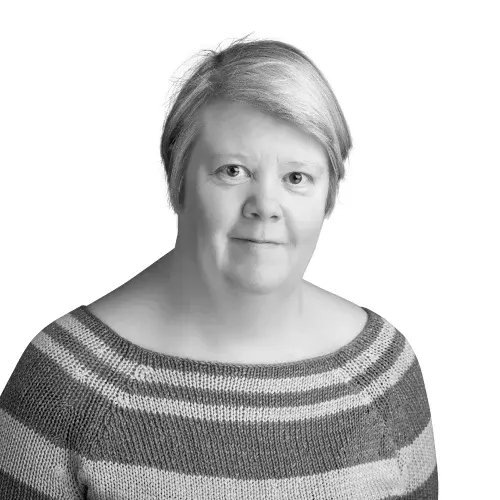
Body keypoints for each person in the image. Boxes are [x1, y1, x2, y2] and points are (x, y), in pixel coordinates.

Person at [0, 35, 438, 499]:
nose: (265, 205)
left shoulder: (384, 375)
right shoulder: (65, 386)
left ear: (328, 196)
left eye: (296, 177)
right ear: (178, 181)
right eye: (233, 171)